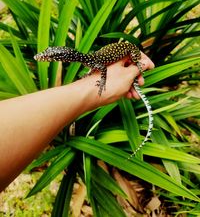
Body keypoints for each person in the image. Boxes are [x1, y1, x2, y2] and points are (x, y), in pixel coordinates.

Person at [0, 52, 154, 191]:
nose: (46, 58)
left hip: (124, 53)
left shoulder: (92, 61)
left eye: (52, 57)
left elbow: (103, 69)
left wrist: (103, 82)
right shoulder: (88, 60)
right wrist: (91, 84)